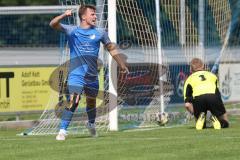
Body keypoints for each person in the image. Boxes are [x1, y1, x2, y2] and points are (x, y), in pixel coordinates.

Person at [50, 4, 129, 140]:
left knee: (91, 103)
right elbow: (53, 24)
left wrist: (122, 64)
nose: (95, 16)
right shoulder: (72, 31)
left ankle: (91, 124)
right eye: (92, 14)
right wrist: (64, 15)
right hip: (76, 75)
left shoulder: (100, 32)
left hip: (92, 76)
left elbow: (111, 48)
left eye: (95, 14)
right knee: (74, 100)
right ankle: (62, 130)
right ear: (83, 16)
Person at [183, 58, 229, 130]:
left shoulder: (189, 79)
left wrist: (194, 113)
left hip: (199, 99)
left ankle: (201, 119)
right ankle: (216, 120)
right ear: (203, 66)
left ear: (190, 69)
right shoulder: (212, 76)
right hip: (213, 98)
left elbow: (187, 105)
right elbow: (217, 94)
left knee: (201, 124)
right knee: (225, 123)